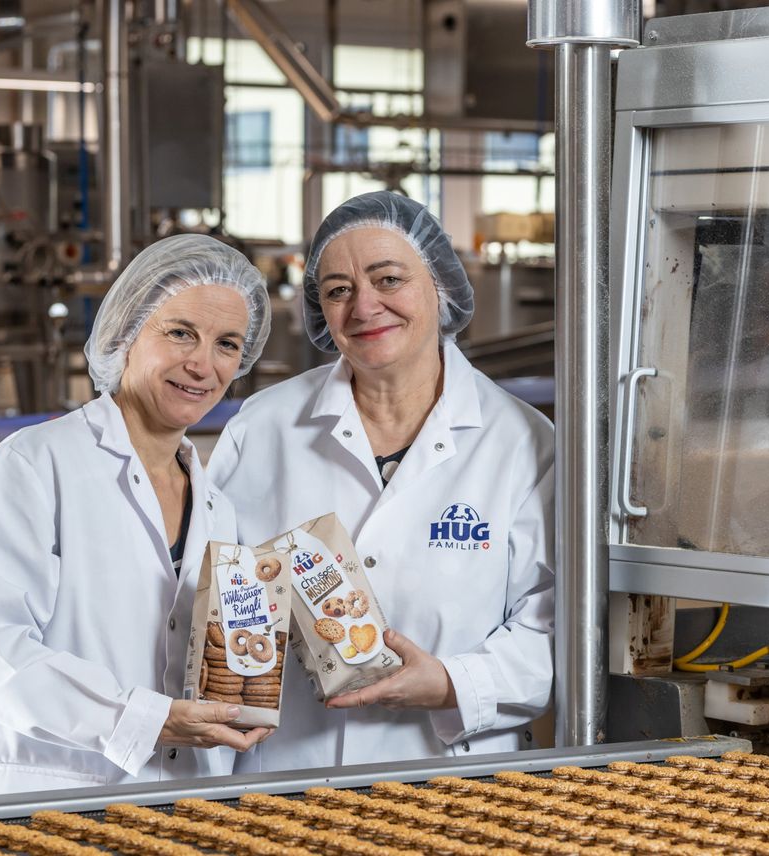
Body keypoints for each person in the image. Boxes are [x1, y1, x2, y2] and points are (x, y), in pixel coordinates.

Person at [208, 191, 554, 772]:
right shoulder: (264, 427)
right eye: (338, 290)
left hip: (451, 779)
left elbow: (553, 628)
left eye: (389, 279)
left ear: (441, 287)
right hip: (287, 776)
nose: (365, 307)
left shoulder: (521, 441)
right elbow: (209, 592)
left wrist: (449, 682)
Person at [0, 234, 273, 797]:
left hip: (175, 809)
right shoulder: (35, 465)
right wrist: (140, 719)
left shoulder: (217, 508)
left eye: (227, 344)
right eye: (181, 332)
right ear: (127, 331)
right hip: (44, 803)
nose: (202, 364)